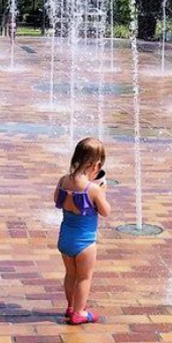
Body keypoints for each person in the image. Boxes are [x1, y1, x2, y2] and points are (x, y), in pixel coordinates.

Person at [54, 137, 111, 325]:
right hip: (84, 243)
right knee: (84, 277)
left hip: (65, 239)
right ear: (95, 165)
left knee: (70, 274)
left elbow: (57, 201)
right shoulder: (92, 189)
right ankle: (79, 313)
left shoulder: (63, 181)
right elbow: (105, 212)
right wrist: (102, 193)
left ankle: (71, 307)